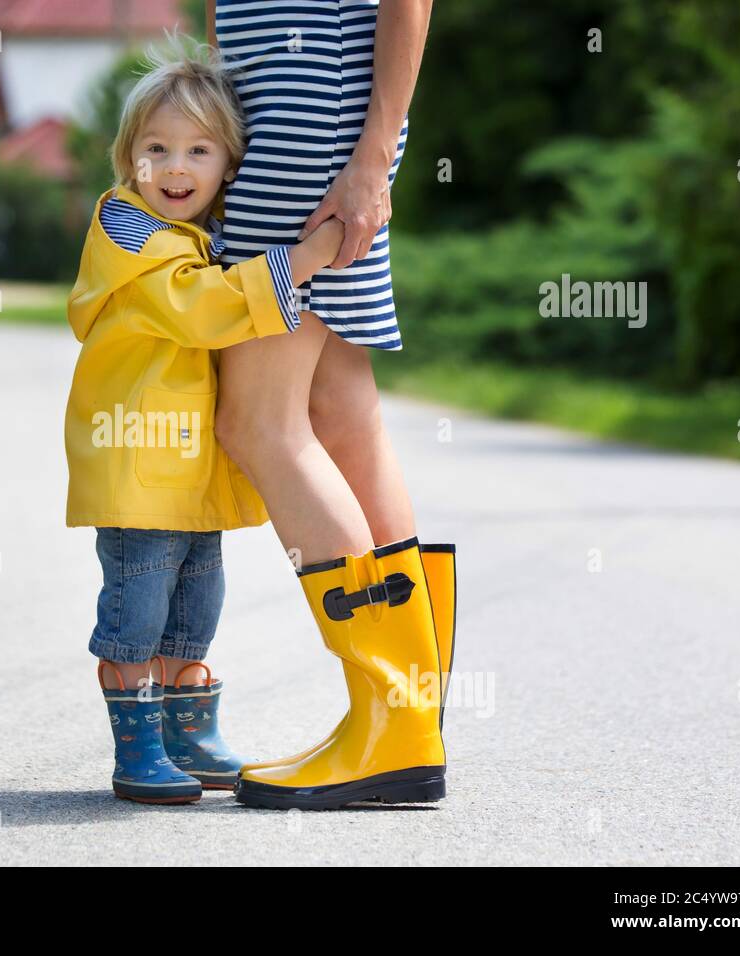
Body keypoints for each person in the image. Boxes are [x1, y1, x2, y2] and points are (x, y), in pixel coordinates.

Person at [63, 44, 346, 803]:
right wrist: (305, 259)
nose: (174, 167)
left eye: (198, 149)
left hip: (185, 467)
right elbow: (198, 306)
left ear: (228, 164)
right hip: (137, 462)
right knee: (140, 605)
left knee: (197, 600)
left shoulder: (204, 234)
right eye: (155, 149)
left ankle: (188, 728)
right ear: (129, 161)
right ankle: (138, 744)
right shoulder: (129, 230)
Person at [206, 0, 459, 809]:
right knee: (340, 416)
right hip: (293, 117)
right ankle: (404, 716)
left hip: (307, 128)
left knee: (259, 422)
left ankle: (393, 718)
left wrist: (374, 153)